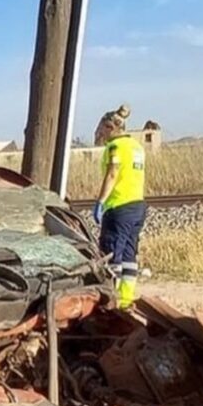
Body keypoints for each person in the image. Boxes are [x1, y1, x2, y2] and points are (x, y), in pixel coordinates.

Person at [91, 104, 146, 309]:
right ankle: (125, 299)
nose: (101, 133)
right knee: (130, 254)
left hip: (119, 207)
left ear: (110, 127)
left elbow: (113, 173)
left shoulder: (115, 147)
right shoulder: (137, 147)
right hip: (138, 206)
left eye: (103, 128)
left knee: (111, 252)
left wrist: (101, 201)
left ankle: (109, 300)